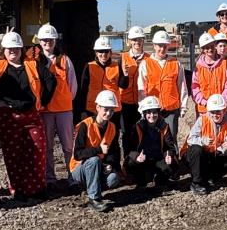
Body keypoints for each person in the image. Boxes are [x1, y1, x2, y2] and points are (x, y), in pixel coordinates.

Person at [0, 32, 56, 200]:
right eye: (9, 49)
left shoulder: (33, 65)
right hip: (7, 117)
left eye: (16, 48)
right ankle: (18, 189)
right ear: (4, 50)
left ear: (21, 49)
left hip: (31, 115)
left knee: (37, 150)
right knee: (14, 154)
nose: (13, 51)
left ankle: (37, 188)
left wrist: (44, 100)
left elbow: (51, 80)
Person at [36, 23, 78, 188]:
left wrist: (66, 100)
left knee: (68, 146)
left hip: (64, 110)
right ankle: (49, 178)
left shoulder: (64, 60)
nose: (47, 43)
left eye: (50, 40)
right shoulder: (35, 61)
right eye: (44, 40)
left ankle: (73, 175)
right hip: (45, 111)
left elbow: (72, 85)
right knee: (47, 147)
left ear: (55, 41)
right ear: (39, 41)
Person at [69, 90, 123, 213]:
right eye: (106, 109)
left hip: (99, 167)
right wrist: (98, 150)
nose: (109, 113)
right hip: (79, 168)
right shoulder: (84, 125)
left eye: (112, 110)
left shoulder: (113, 127)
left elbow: (114, 151)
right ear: (98, 107)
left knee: (114, 178)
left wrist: (109, 164)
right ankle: (94, 198)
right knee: (94, 160)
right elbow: (78, 154)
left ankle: (91, 188)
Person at [137, 30, 188, 140]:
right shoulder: (146, 64)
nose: (162, 48)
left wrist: (183, 106)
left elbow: (182, 86)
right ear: (154, 46)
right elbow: (141, 88)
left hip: (171, 109)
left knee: (171, 138)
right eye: (159, 45)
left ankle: (173, 157)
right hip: (152, 110)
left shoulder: (176, 64)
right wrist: (142, 108)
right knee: (152, 138)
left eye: (165, 45)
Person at [182, 93, 227, 196]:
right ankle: (196, 183)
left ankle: (208, 178)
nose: (215, 114)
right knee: (197, 149)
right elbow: (190, 140)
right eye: (212, 112)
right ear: (208, 111)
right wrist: (202, 141)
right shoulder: (202, 120)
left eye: (218, 111)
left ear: (224, 111)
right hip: (192, 155)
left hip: (210, 154)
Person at [126, 95, 179, 191]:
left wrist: (169, 155)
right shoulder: (138, 127)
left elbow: (170, 146)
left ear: (158, 113)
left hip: (158, 157)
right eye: (149, 112)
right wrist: (137, 157)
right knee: (131, 162)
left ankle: (160, 180)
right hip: (144, 159)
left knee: (172, 163)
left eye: (155, 112)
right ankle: (141, 182)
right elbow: (130, 148)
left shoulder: (164, 126)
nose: (152, 115)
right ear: (144, 113)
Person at [74, 36, 128, 123]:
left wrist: (125, 75)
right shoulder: (89, 66)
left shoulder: (117, 66)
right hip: (93, 108)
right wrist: (82, 110)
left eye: (106, 51)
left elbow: (123, 86)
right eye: (100, 51)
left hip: (112, 109)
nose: (104, 54)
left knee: (112, 134)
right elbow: (83, 90)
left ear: (110, 52)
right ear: (96, 52)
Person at [119, 26, 148, 157]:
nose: (137, 42)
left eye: (139, 39)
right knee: (126, 134)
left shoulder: (149, 59)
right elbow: (118, 80)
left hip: (142, 103)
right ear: (130, 41)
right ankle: (127, 161)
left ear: (143, 40)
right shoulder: (122, 57)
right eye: (134, 39)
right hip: (125, 103)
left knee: (142, 133)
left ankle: (140, 161)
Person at [192, 32, 227, 114]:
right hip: (204, 109)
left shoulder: (224, 64)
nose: (210, 49)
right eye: (206, 47)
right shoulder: (198, 67)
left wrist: (221, 101)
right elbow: (195, 87)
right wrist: (204, 102)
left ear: (215, 46)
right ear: (203, 49)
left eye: (211, 46)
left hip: (221, 108)